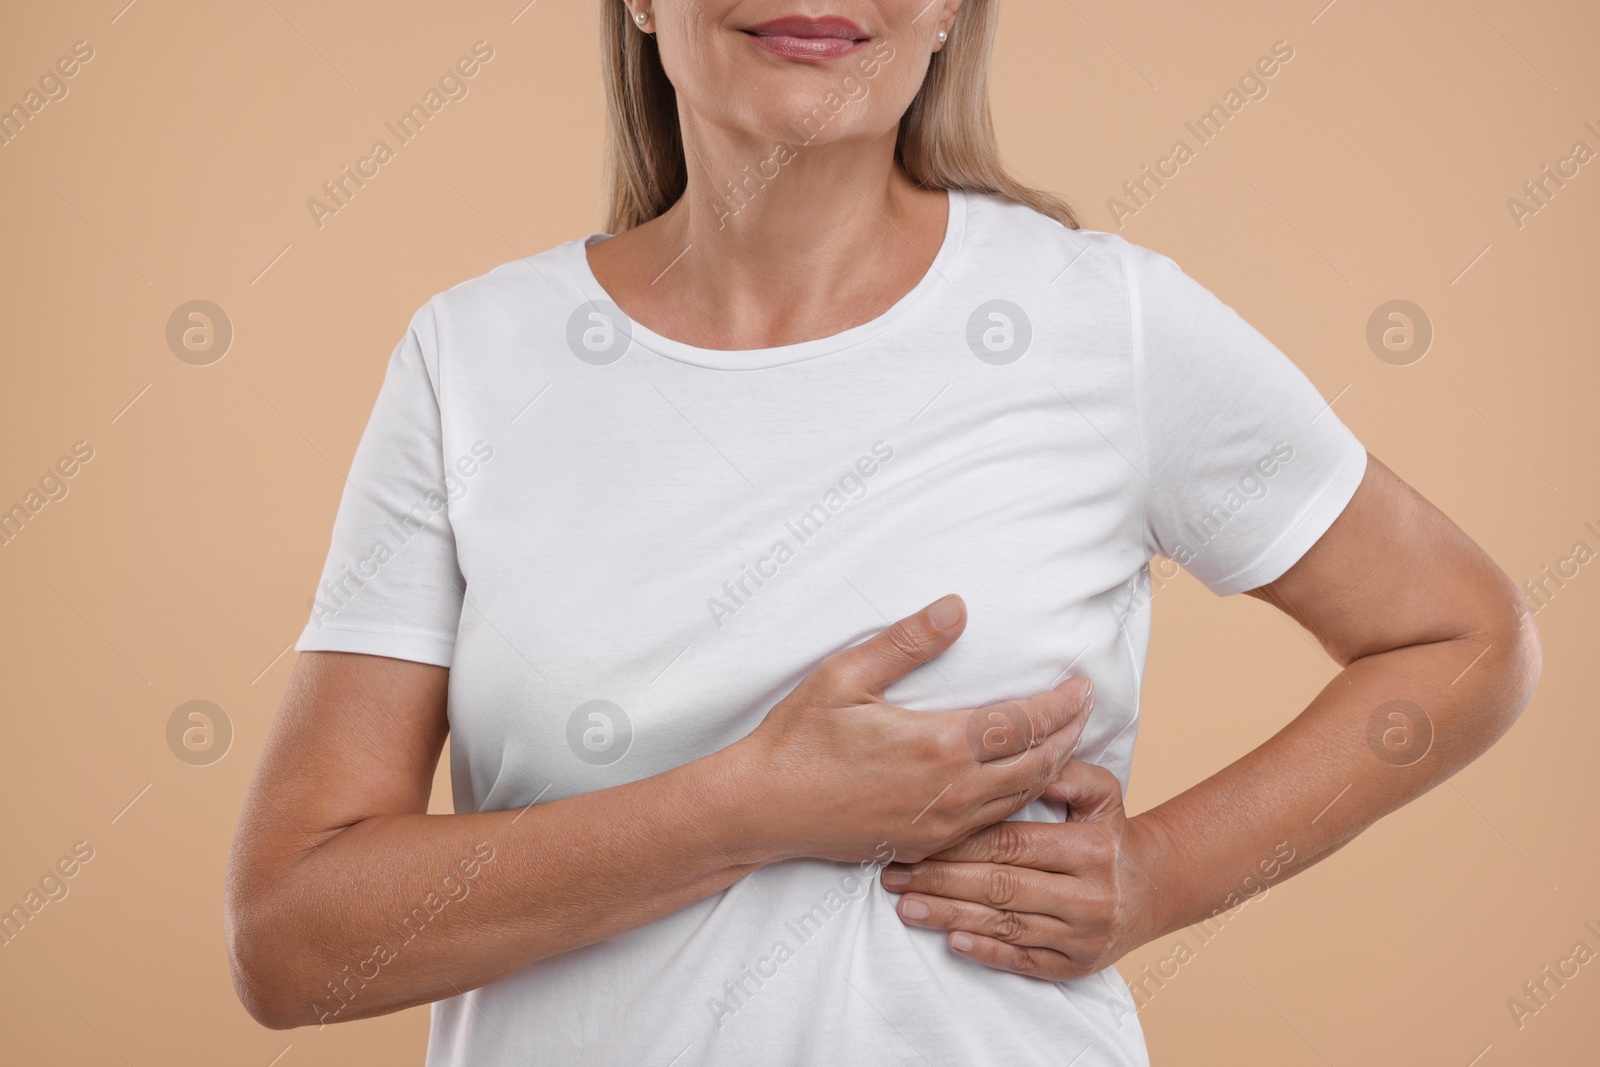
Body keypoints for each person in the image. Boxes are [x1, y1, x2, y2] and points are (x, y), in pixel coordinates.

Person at [224, 2, 1541, 1064]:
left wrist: (1157, 877)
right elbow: (293, 941)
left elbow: (1464, 639)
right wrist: (742, 807)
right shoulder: (476, 359)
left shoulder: (1109, 324)